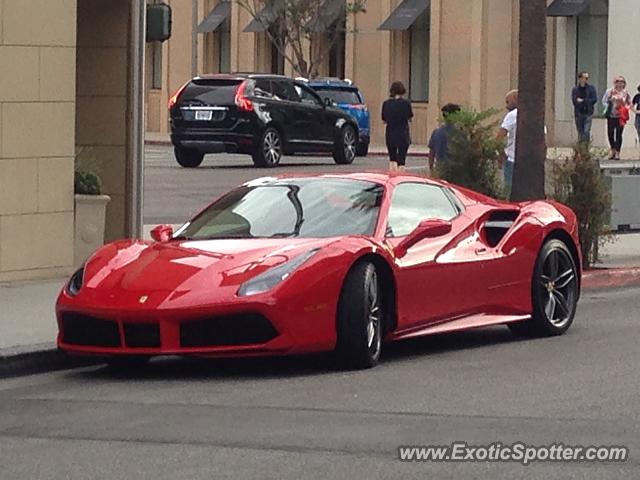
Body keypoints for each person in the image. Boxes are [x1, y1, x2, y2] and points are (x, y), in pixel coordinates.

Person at [382, 81, 413, 171]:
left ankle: (393, 174)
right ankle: (401, 173)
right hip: (403, 133)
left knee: (392, 158)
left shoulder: (386, 104)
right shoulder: (406, 103)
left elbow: (384, 120)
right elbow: (410, 118)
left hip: (390, 133)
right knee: (402, 158)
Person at [602, 75, 632, 160]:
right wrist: (609, 102)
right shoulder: (609, 91)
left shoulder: (625, 93)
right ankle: (613, 150)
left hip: (620, 117)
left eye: (621, 82)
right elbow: (604, 101)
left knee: (619, 134)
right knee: (610, 134)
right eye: (618, 81)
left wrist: (624, 106)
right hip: (611, 115)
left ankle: (618, 152)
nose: (619, 83)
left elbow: (629, 103)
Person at [427, 103, 461, 173]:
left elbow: (431, 154)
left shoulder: (436, 132)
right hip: (456, 171)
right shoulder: (460, 133)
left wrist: (431, 169)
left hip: (440, 169)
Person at [496, 89, 518, 193]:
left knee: (509, 191)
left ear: (516, 99)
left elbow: (499, 137)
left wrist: (501, 154)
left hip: (512, 159)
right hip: (530, 161)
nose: (506, 106)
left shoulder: (512, 115)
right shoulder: (534, 114)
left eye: (508, 102)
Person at [571, 71, 598, 143]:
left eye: (587, 78)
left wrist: (583, 101)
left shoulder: (591, 89)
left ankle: (585, 148)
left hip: (588, 112)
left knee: (586, 131)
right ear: (580, 79)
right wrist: (585, 102)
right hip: (579, 113)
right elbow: (575, 101)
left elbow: (594, 99)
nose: (586, 79)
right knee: (580, 132)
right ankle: (581, 149)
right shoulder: (575, 90)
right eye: (584, 78)